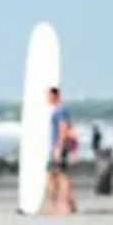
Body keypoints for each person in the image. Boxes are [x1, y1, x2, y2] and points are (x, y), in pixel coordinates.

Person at [43, 85, 79, 216]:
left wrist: (58, 147)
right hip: (61, 147)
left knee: (53, 177)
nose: (46, 98)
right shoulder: (63, 110)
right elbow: (71, 129)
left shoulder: (59, 111)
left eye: (48, 95)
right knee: (61, 176)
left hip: (58, 147)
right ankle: (69, 204)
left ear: (54, 96)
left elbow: (63, 128)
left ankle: (56, 206)